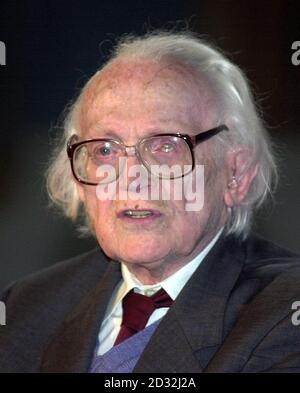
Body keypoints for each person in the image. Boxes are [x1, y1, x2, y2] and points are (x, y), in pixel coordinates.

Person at [1, 30, 300, 373]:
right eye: (105, 150)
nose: (131, 177)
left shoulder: (285, 314)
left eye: (166, 146)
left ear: (237, 173)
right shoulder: (25, 307)